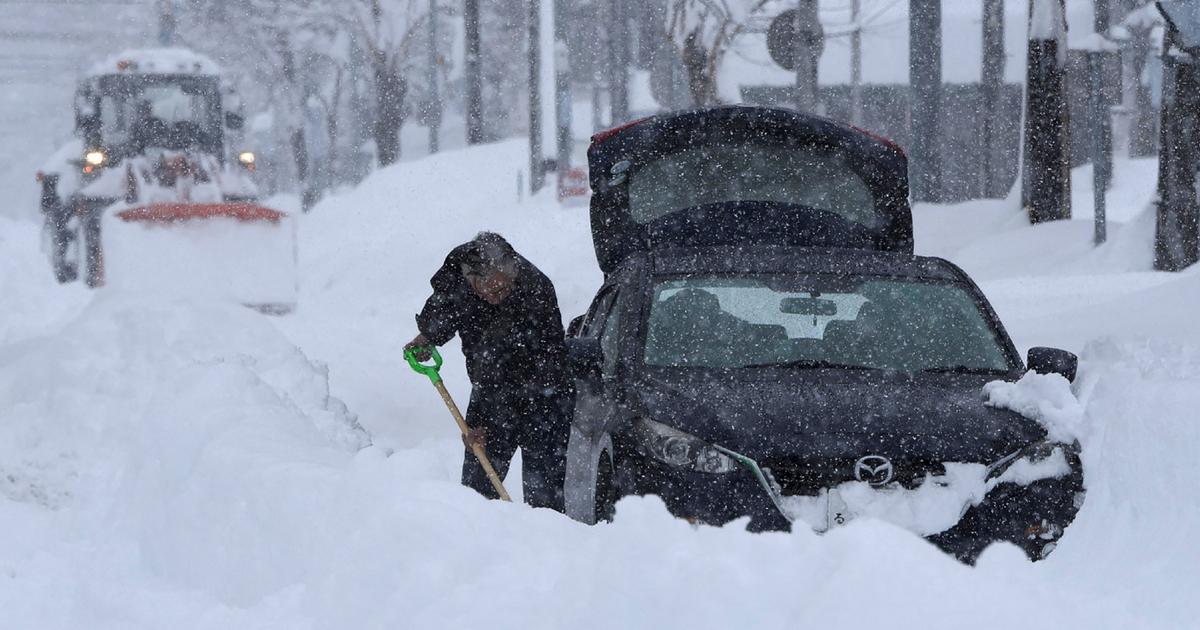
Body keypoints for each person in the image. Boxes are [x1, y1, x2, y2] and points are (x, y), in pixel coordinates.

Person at [406, 232, 573, 511]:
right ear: (472, 280)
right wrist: (426, 337)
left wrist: (489, 419)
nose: (499, 297)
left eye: (505, 290)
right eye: (493, 291)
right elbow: (443, 308)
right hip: (491, 389)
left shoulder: (535, 289)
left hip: (546, 396)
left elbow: (543, 363)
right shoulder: (456, 278)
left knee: (545, 498)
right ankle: (476, 544)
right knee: (476, 495)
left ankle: (542, 545)